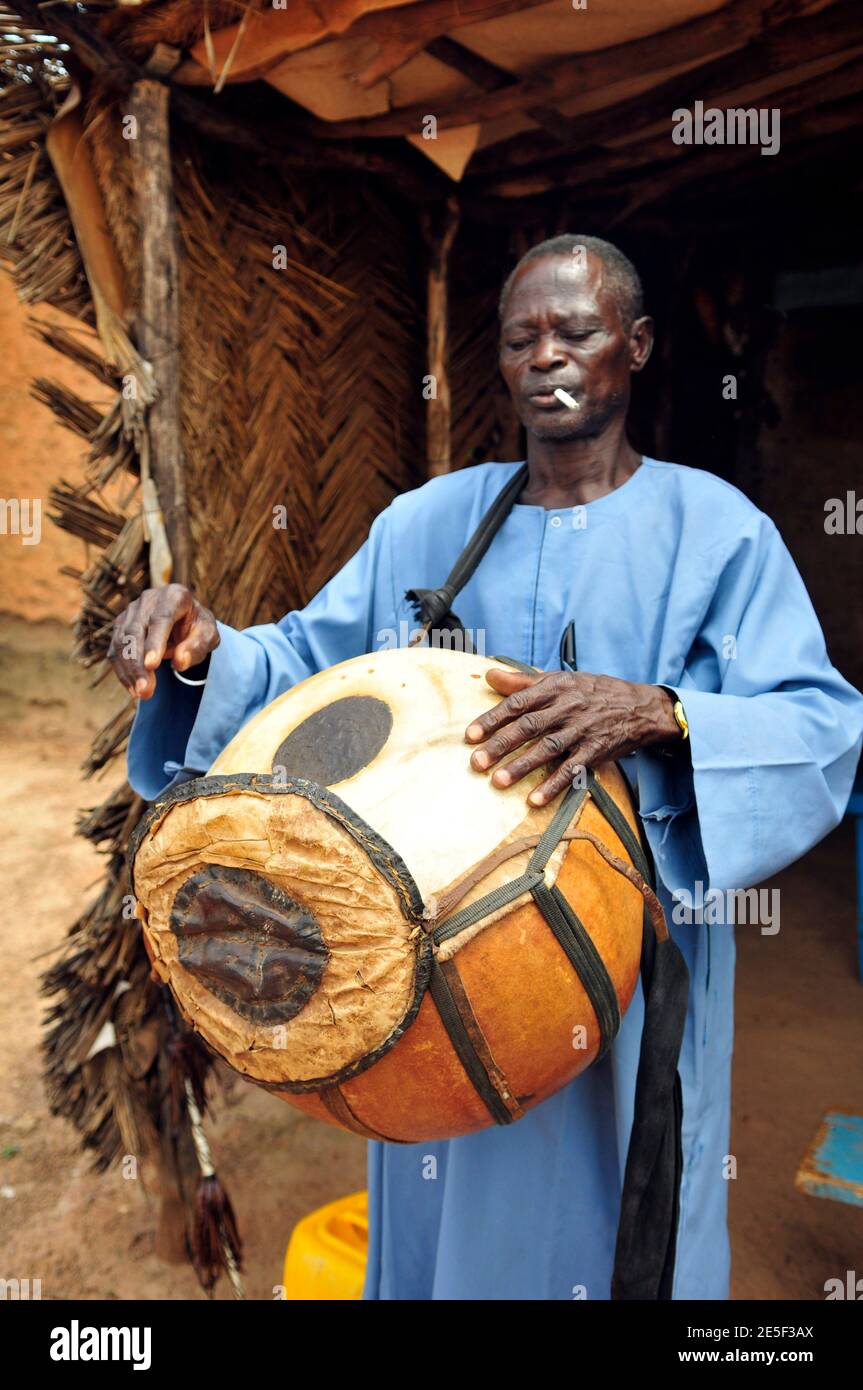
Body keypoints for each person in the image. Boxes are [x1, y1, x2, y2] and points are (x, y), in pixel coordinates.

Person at [112, 234, 863, 1300]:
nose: (546, 356)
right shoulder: (424, 526)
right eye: (521, 338)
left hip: (621, 979)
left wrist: (653, 711)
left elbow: (819, 725)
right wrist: (201, 650)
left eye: (577, 331)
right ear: (499, 361)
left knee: (618, 1236)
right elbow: (300, 670)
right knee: (440, 1234)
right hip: (427, 989)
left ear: (635, 347)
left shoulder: (716, 536)